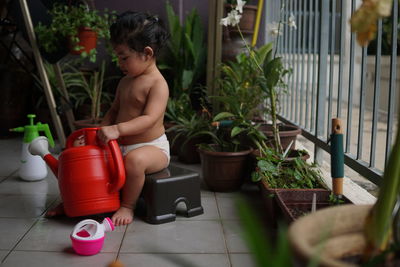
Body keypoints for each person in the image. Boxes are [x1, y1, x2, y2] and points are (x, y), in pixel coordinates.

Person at [97, 11, 170, 226]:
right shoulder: (126, 81)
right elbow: (113, 111)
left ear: (146, 53)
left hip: (152, 148)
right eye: (117, 57)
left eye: (124, 57)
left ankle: (127, 205)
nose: (119, 62)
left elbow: (149, 118)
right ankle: (81, 201)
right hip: (120, 148)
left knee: (135, 161)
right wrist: (98, 132)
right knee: (89, 158)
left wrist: (118, 130)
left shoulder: (158, 84)